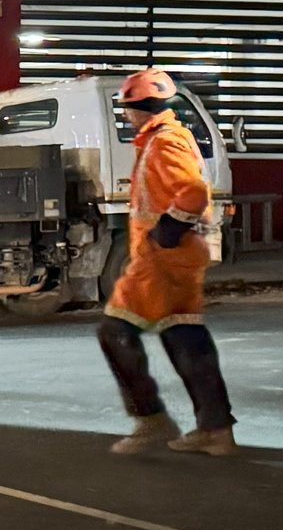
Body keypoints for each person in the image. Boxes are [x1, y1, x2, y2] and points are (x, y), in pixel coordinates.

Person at [99, 67, 236, 455]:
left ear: (138, 108)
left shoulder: (165, 142)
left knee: (114, 331)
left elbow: (192, 192)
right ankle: (216, 429)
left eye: (127, 108)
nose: (126, 115)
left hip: (162, 260)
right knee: (185, 338)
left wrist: (167, 230)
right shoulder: (163, 138)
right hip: (173, 258)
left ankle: (151, 420)